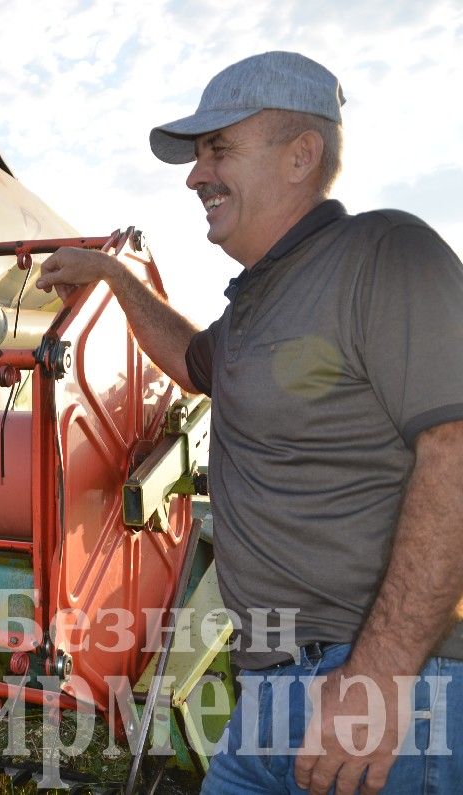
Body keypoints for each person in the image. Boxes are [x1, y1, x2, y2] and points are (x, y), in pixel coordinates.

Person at [36, 51, 463, 794]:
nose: (196, 174)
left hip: (383, 698)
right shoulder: (257, 305)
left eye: (218, 149)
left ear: (302, 155)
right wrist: (114, 279)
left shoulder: (386, 257)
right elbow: (194, 360)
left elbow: (456, 453)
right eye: (198, 154)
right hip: (269, 695)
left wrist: (379, 674)